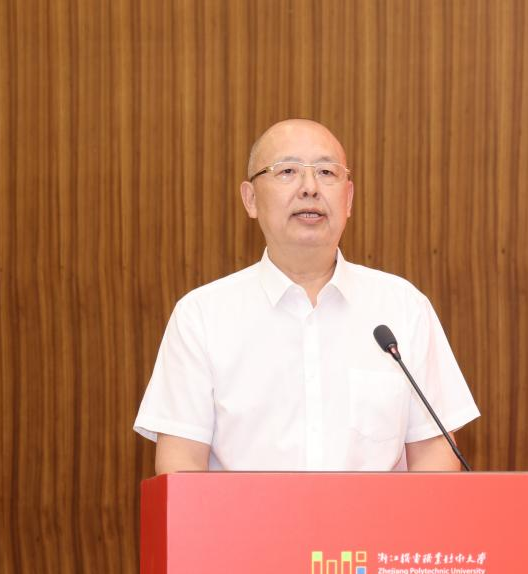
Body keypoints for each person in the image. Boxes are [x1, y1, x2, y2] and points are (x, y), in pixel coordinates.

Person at [134, 119, 479, 473]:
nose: (310, 188)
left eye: (327, 172)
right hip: (247, 514)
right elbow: (181, 467)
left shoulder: (403, 308)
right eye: (287, 171)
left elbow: (436, 460)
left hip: (376, 514)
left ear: (348, 199)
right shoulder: (201, 316)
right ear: (250, 199)